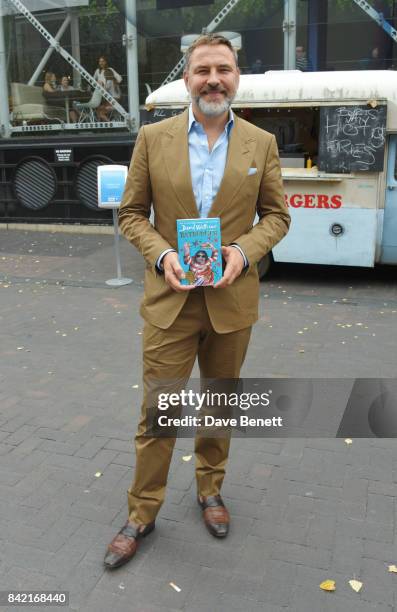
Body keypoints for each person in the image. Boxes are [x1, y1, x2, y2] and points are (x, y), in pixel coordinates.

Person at [104, 33, 290, 569]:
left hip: (232, 301)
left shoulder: (261, 143)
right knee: (158, 410)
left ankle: (210, 490)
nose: (214, 79)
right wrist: (162, 256)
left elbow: (276, 216)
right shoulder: (152, 138)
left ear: (237, 76)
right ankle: (142, 512)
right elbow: (132, 213)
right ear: (186, 78)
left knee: (220, 403)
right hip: (171, 299)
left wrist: (242, 249)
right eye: (203, 69)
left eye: (224, 69)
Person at [93, 55, 122, 121]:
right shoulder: (98, 71)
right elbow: (93, 81)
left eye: (103, 61)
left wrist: (115, 82)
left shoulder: (110, 70)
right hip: (105, 98)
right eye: (100, 61)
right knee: (98, 109)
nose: (101, 63)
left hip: (113, 98)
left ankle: (109, 124)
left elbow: (120, 78)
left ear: (106, 62)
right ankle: (106, 124)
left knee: (100, 112)